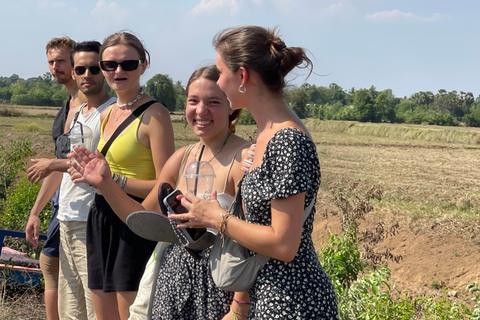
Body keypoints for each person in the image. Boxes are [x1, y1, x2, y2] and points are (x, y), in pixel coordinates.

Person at [169, 26, 339, 319]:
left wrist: (216, 217)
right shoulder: (266, 137)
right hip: (274, 294)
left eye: (221, 72)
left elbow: (284, 245)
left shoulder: (287, 140)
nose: (219, 82)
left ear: (243, 76)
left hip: (293, 301)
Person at [70, 65, 251, 320]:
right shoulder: (182, 157)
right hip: (172, 279)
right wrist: (106, 184)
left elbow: (255, 243)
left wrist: (239, 308)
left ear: (233, 106)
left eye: (213, 102)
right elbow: (142, 218)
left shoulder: (244, 159)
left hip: (222, 284)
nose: (201, 111)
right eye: (193, 101)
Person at [78, 31, 175, 320]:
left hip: (135, 220)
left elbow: (165, 186)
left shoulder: (155, 114)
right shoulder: (109, 113)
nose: (118, 71)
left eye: (128, 64)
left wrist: (114, 181)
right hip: (101, 216)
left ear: (144, 65)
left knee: (130, 312)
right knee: (103, 311)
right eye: (109, 65)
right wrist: (89, 173)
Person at [25, 35, 86, 320]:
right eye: (51, 61)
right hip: (62, 205)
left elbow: (71, 164)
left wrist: (52, 164)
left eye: (61, 60)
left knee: (60, 269)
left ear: (76, 62)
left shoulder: (90, 104)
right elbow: (56, 168)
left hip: (84, 206)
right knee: (51, 265)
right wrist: (35, 212)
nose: (55, 67)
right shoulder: (66, 106)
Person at [57, 40, 117, 320]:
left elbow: (99, 168)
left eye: (95, 68)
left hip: (90, 217)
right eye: (80, 69)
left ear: (104, 70)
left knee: (95, 306)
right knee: (70, 306)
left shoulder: (112, 112)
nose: (87, 75)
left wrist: (51, 164)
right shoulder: (79, 111)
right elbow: (73, 165)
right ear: (73, 73)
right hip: (68, 215)